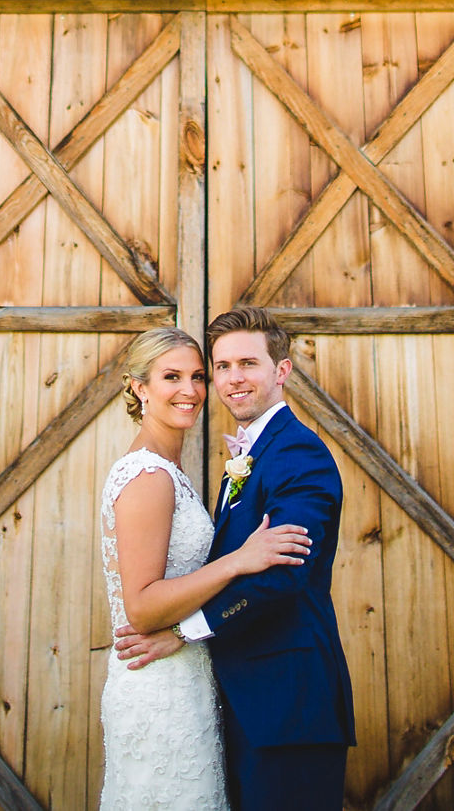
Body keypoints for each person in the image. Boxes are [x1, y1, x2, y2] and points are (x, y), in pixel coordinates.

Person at [115, 307, 356, 811]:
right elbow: (238, 562)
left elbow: (282, 577)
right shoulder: (249, 459)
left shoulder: (297, 454)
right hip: (242, 703)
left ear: (282, 371)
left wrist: (182, 633)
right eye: (221, 367)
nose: (231, 379)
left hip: (287, 705)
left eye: (247, 363)